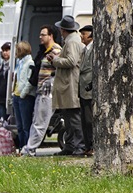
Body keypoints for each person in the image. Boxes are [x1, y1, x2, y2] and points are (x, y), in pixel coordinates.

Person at [21, 25, 62, 156]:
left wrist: (50, 82)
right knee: (36, 120)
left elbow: (59, 71)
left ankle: (30, 150)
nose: (40, 37)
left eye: (43, 34)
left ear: (51, 36)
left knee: (41, 121)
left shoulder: (56, 51)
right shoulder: (45, 51)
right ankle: (28, 148)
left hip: (48, 91)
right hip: (41, 90)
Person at [48, 15, 85, 156]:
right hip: (67, 84)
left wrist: (56, 60)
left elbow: (71, 61)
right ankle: (70, 145)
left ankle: (79, 146)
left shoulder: (72, 42)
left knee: (74, 118)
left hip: (70, 84)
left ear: (63, 30)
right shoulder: (72, 41)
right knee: (69, 119)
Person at [12, 41, 36, 150]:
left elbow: (29, 81)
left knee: (26, 125)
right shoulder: (19, 63)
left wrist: (23, 94)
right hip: (16, 96)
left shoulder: (30, 63)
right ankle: (21, 147)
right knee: (19, 126)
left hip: (25, 97)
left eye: (18, 50)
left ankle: (28, 147)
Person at [78, 25, 94, 156]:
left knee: (90, 120)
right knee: (84, 119)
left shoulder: (94, 49)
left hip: (89, 89)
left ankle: (93, 145)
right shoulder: (85, 50)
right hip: (82, 88)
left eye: (84, 34)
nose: (82, 36)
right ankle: (87, 145)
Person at [0, 42, 12, 121]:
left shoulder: (14, 65)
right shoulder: (1, 66)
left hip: (10, 98)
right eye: (3, 50)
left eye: (7, 50)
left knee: (10, 121)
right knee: (2, 120)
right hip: (1, 98)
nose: (5, 52)